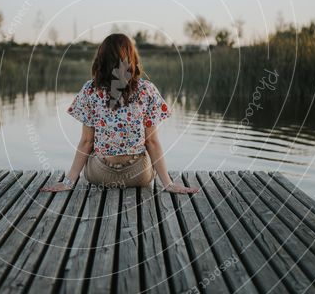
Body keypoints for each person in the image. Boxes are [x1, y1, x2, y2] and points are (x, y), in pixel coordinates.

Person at [40, 33, 199, 194]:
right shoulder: (147, 90)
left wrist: (68, 181)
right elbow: (152, 142)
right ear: (131, 58)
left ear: (101, 60)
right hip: (138, 175)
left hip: (100, 174)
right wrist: (168, 183)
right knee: (147, 154)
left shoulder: (90, 90)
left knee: (92, 149)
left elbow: (86, 142)